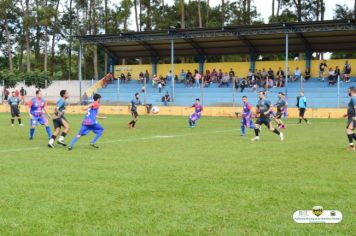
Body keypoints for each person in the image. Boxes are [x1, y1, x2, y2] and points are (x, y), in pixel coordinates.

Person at [345, 87, 356, 151]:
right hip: (351, 116)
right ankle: (351, 146)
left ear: (352, 91)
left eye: (348, 91)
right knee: (349, 131)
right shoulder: (353, 98)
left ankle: (351, 146)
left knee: (348, 130)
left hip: (353, 117)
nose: (348, 92)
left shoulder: (354, 98)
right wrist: (347, 114)